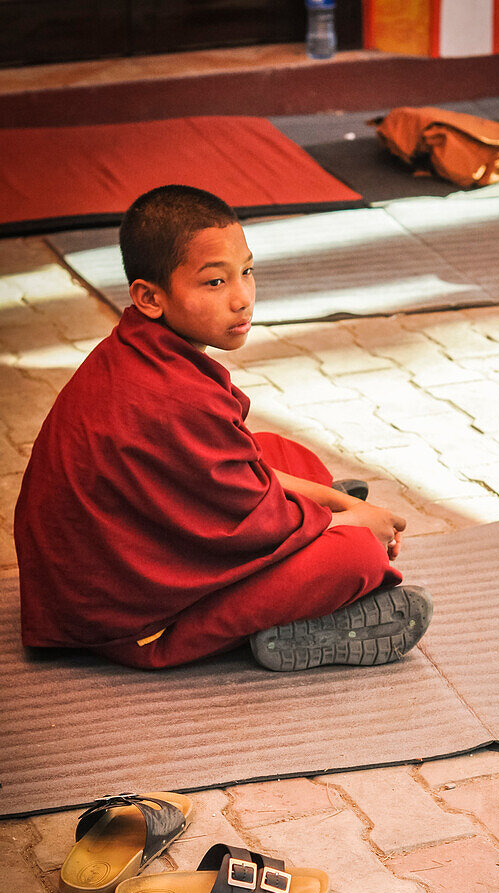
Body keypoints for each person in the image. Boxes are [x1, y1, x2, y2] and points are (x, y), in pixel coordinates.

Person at [13, 184, 432, 671]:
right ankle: (293, 622)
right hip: (125, 623)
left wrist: (336, 502)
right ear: (149, 297)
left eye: (247, 272)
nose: (242, 299)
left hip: (123, 566)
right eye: (215, 283)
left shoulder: (141, 349)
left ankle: (310, 537)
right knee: (357, 556)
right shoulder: (175, 397)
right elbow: (250, 519)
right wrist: (347, 522)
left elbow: (232, 473)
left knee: (277, 451)